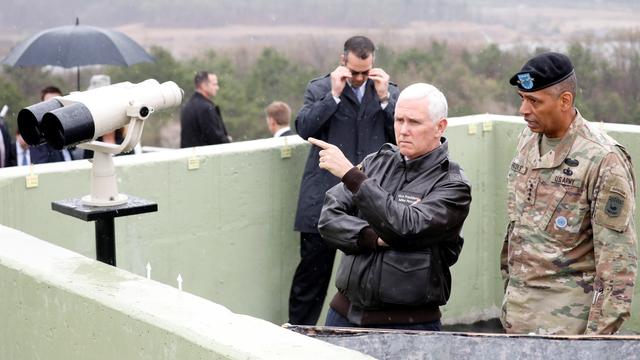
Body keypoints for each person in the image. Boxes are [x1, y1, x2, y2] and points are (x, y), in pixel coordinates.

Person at [314, 83, 471, 330]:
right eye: (399, 120)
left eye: (414, 122)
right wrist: (371, 237)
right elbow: (328, 218)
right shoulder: (376, 162)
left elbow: (406, 228)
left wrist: (350, 175)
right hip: (343, 313)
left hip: (408, 325)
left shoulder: (453, 186)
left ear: (440, 126)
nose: (403, 130)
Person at [501, 52, 637, 335]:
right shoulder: (528, 140)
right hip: (518, 314)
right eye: (522, 98)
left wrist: (595, 343)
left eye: (534, 101)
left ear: (564, 101)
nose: (523, 110)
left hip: (568, 327)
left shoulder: (602, 159)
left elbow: (618, 266)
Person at [289, 35, 399, 325]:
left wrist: (387, 98)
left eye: (366, 71)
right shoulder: (320, 88)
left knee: (372, 275)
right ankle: (299, 334)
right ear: (343, 62)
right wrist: (334, 96)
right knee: (312, 277)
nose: (361, 78)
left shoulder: (387, 92)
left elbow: (400, 137)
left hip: (370, 196)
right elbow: (304, 128)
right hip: (323, 196)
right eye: (355, 72)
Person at [15, 86, 72, 165]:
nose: (54, 109)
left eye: (57, 103)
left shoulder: (71, 131)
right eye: (49, 104)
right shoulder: (38, 140)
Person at [180, 71, 230, 148]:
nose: (217, 87)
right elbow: (215, 139)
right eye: (214, 84)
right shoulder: (205, 108)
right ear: (203, 85)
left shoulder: (187, 106)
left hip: (190, 157)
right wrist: (227, 140)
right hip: (206, 157)